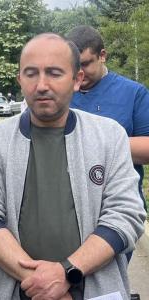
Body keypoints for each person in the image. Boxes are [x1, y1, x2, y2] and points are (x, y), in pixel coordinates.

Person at [0, 33, 146, 300]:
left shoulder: (110, 136)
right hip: (15, 291)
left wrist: (67, 272)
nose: (41, 85)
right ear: (19, 80)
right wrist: (40, 282)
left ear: (77, 80)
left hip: (94, 290)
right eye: (31, 73)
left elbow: (126, 214)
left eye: (54, 73)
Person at [67, 25, 149, 211]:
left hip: (122, 208)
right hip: (70, 213)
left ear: (102, 55)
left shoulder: (133, 93)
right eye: (74, 66)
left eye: (85, 64)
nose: (79, 73)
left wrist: (94, 143)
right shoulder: (60, 94)